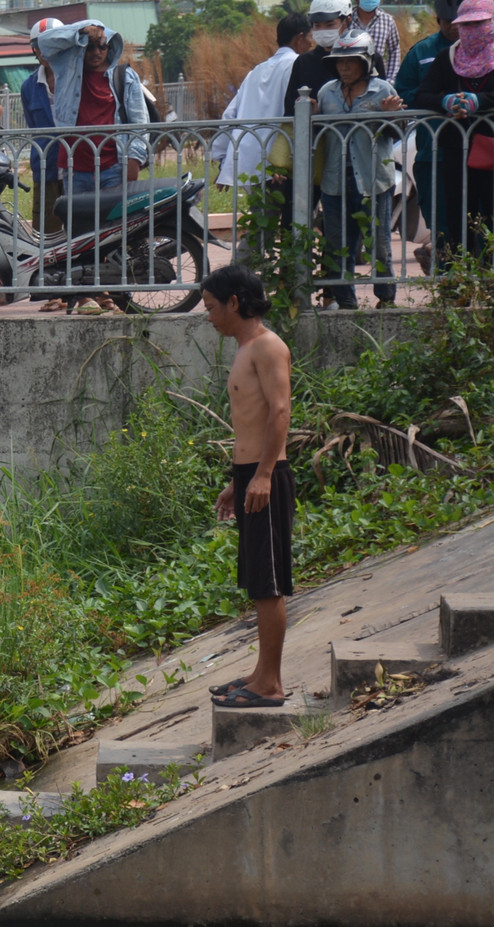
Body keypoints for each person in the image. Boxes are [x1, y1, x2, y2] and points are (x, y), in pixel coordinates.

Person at [204, 265, 294, 710]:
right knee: (258, 580)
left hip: (268, 477)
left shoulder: (268, 347)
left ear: (234, 302)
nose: (209, 317)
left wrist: (261, 475)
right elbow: (252, 423)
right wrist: (235, 481)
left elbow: (280, 414)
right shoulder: (245, 350)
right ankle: (260, 674)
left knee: (269, 582)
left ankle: (271, 684)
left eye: (212, 308)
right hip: (250, 476)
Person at [38, 19, 151, 312]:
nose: (96, 52)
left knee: (112, 232)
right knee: (79, 232)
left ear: (110, 46)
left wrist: (134, 160)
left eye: (102, 45)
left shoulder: (124, 77)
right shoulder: (67, 70)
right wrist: (81, 32)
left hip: (113, 164)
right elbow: (45, 43)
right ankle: (84, 294)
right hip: (76, 166)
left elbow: (138, 123)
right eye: (90, 46)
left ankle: (109, 293)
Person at [210, 12, 314, 269]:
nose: (313, 41)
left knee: (264, 222)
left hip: (250, 159)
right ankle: (236, 278)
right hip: (280, 159)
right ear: (300, 38)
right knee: (266, 226)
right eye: (311, 35)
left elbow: (230, 114)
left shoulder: (256, 71)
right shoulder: (299, 66)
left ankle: (252, 277)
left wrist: (223, 160)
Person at [314, 30, 403, 309]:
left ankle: (386, 300)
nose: (344, 67)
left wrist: (390, 116)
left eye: (350, 61)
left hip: (373, 179)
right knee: (339, 245)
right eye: (339, 62)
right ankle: (346, 302)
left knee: (379, 244)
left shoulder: (383, 91)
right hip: (335, 180)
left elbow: (398, 133)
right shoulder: (326, 93)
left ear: (365, 62)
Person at [416, 0, 494, 261]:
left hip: (491, 150)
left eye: (479, 24)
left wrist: (480, 100)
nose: (472, 30)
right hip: (456, 152)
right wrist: (445, 101)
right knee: (460, 216)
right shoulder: (446, 58)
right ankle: (462, 282)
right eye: (466, 25)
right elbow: (422, 94)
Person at [394, 0, 461, 273]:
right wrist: (439, 101)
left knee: (477, 220)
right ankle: (447, 282)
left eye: (460, 22)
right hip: (432, 152)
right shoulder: (421, 52)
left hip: (475, 153)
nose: (453, 27)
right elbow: (404, 93)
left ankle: (479, 283)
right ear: (437, 19)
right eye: (448, 21)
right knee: (440, 222)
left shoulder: (483, 53)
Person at [21, 17, 65, 235]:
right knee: (47, 230)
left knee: (84, 229)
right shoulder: (28, 87)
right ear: (34, 50)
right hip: (46, 168)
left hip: (80, 168)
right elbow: (33, 125)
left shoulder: (76, 78)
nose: (45, 52)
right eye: (40, 46)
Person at [353, 0, 402, 80]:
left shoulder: (387, 20)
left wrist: (390, 80)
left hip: (378, 79)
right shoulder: (347, 20)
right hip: (351, 78)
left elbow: (394, 50)